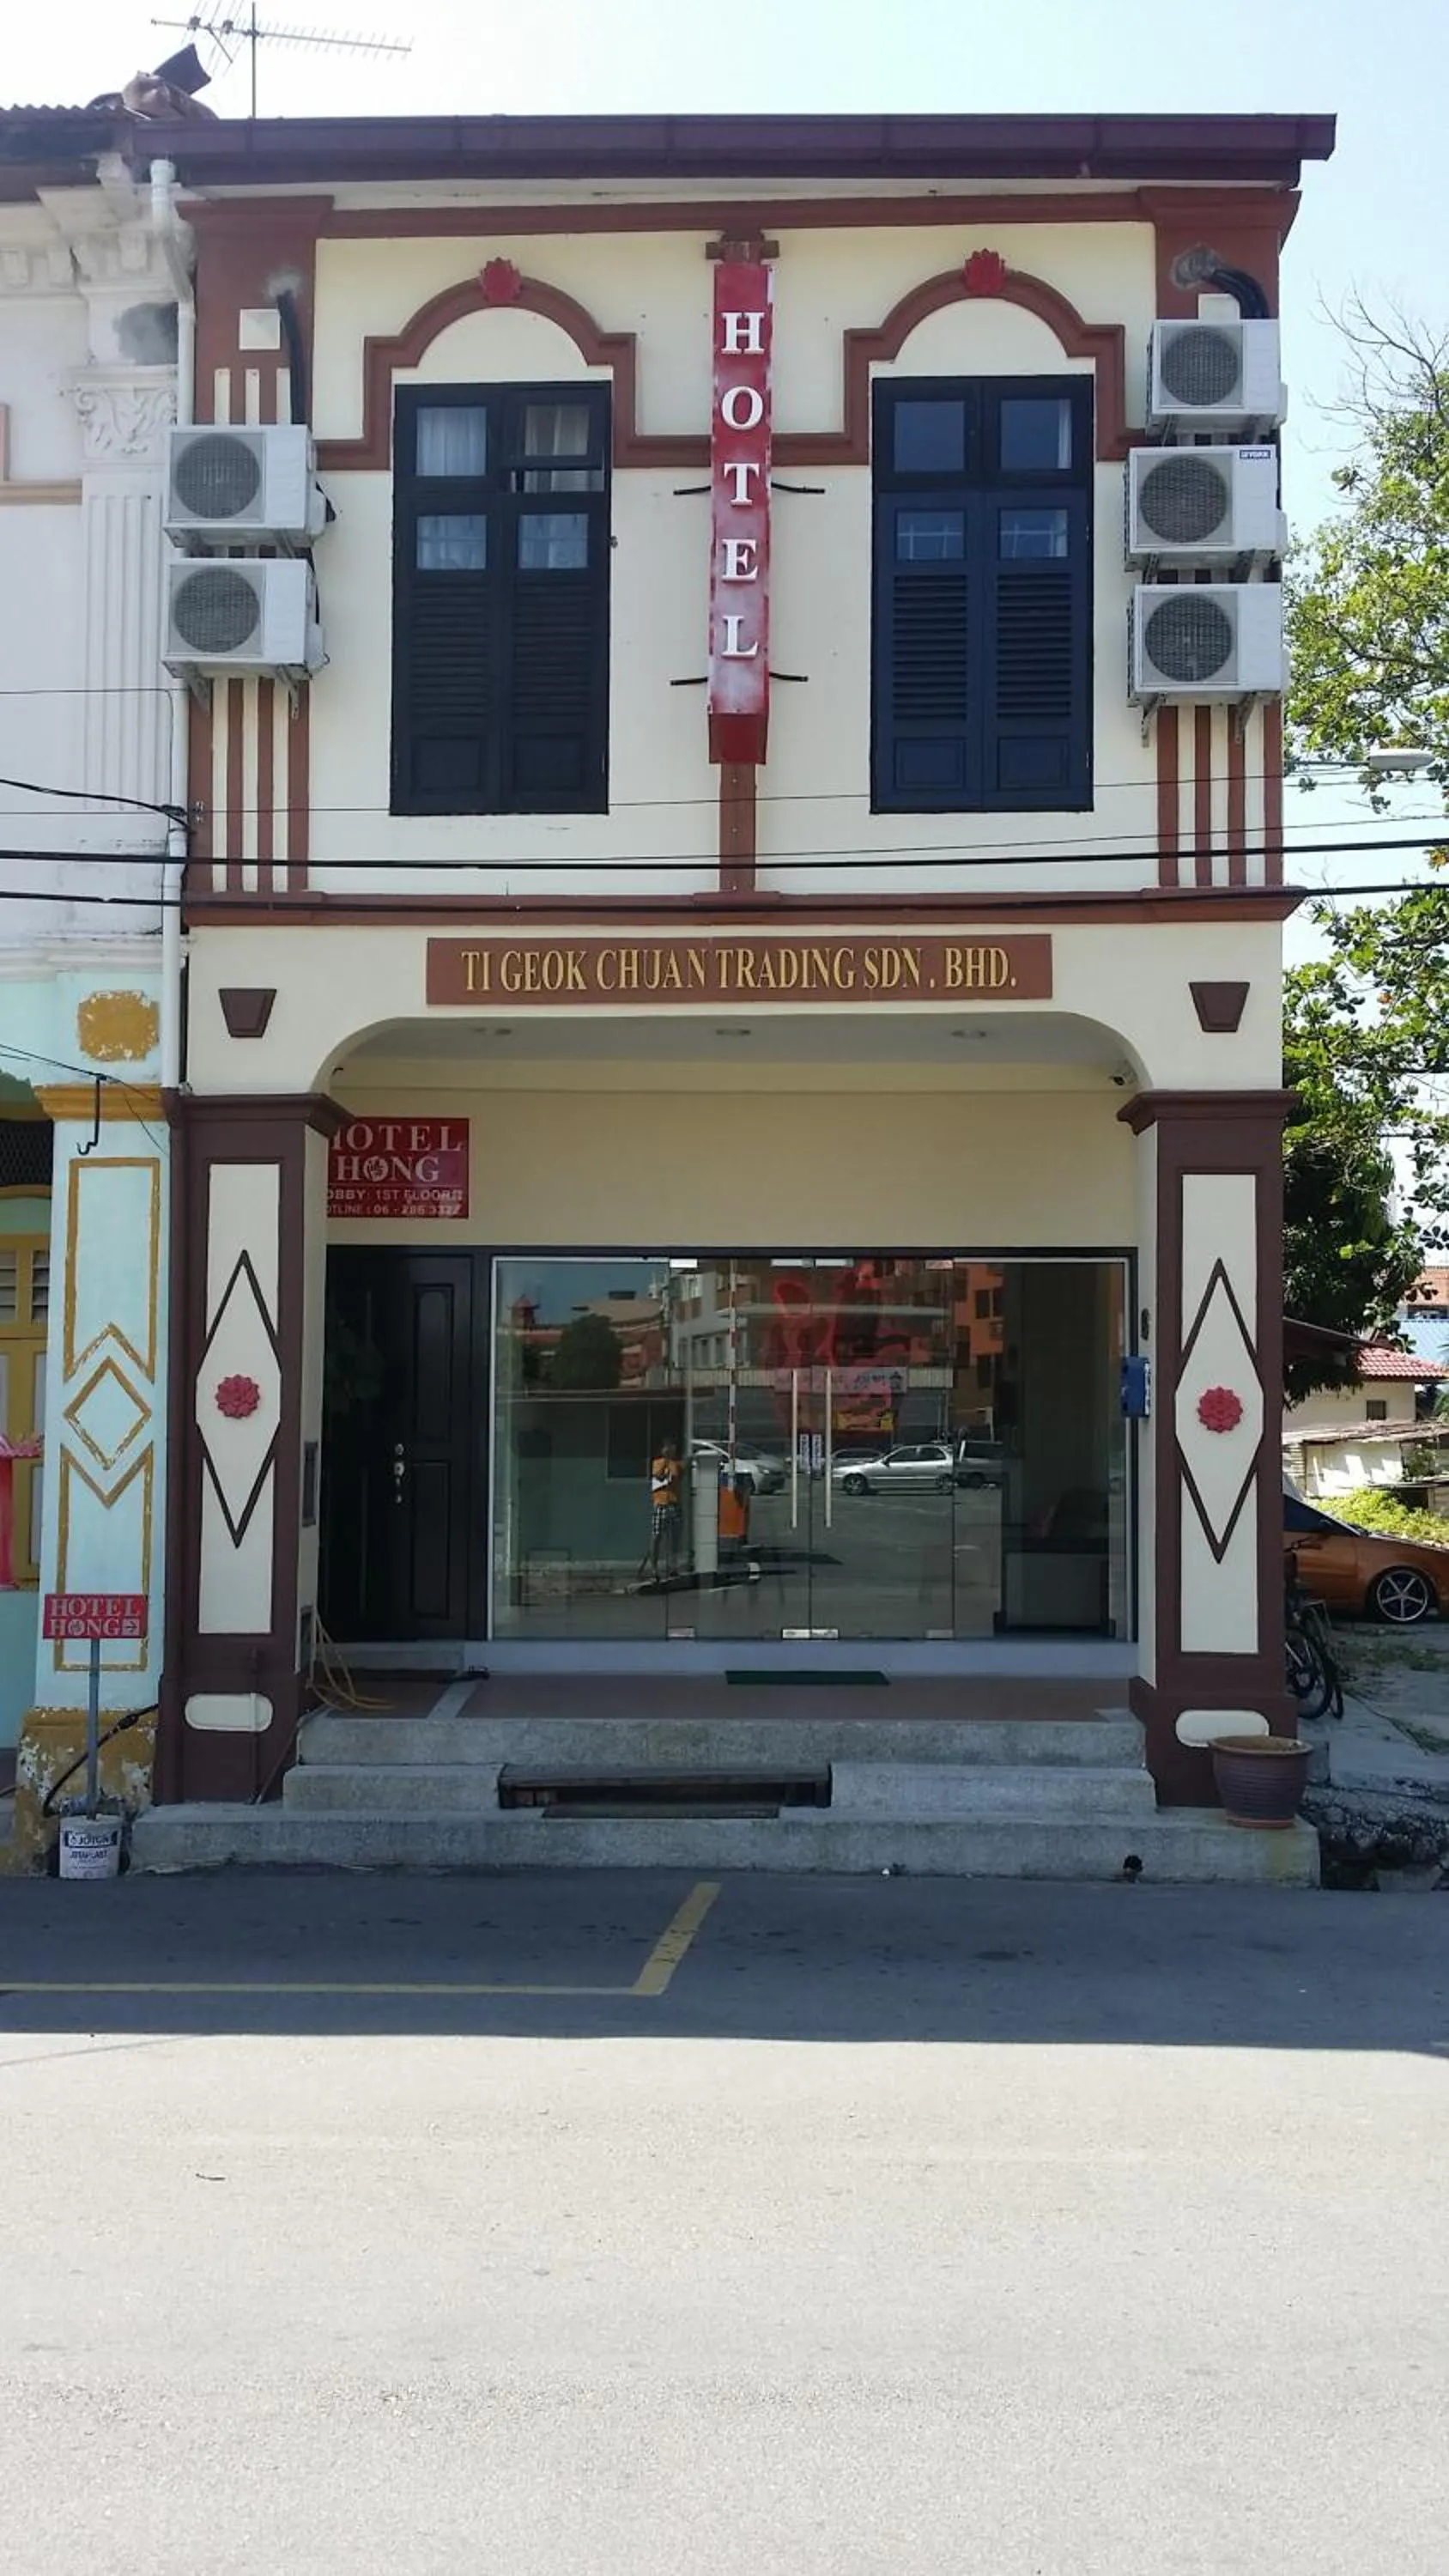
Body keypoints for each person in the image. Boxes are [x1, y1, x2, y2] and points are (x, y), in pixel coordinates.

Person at [642, 1437, 683, 1582]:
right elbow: (658, 1476)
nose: (670, 1449)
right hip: (660, 1503)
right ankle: (654, 1569)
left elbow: (677, 1477)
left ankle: (673, 1567)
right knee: (657, 1535)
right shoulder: (657, 1463)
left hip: (673, 1502)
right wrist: (665, 1461)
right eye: (667, 1447)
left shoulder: (676, 1464)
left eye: (672, 1446)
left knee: (674, 1537)